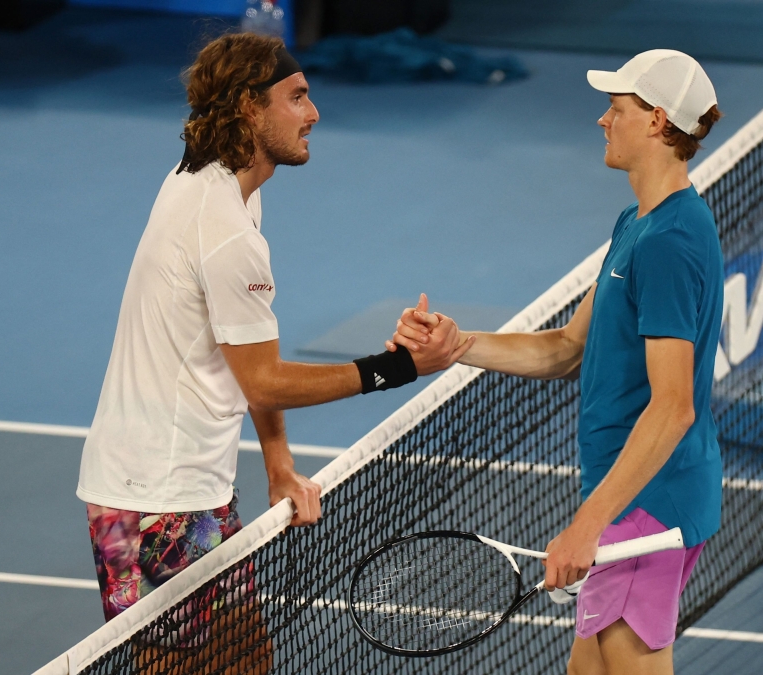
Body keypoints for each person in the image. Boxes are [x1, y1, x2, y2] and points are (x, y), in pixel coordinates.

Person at [76, 31, 473, 637]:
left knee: (240, 653)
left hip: (177, 487)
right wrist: (398, 368)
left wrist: (279, 462)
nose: (313, 114)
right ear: (247, 107)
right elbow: (265, 379)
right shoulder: (228, 230)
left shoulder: (215, 183)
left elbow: (250, 361)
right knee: (211, 658)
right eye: (296, 97)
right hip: (157, 498)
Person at [388, 50, 724, 675]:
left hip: (646, 507)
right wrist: (458, 347)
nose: (602, 120)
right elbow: (569, 348)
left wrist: (587, 526)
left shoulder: (670, 243)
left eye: (616, 109)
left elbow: (674, 406)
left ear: (655, 121)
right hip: (630, 497)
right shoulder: (640, 223)